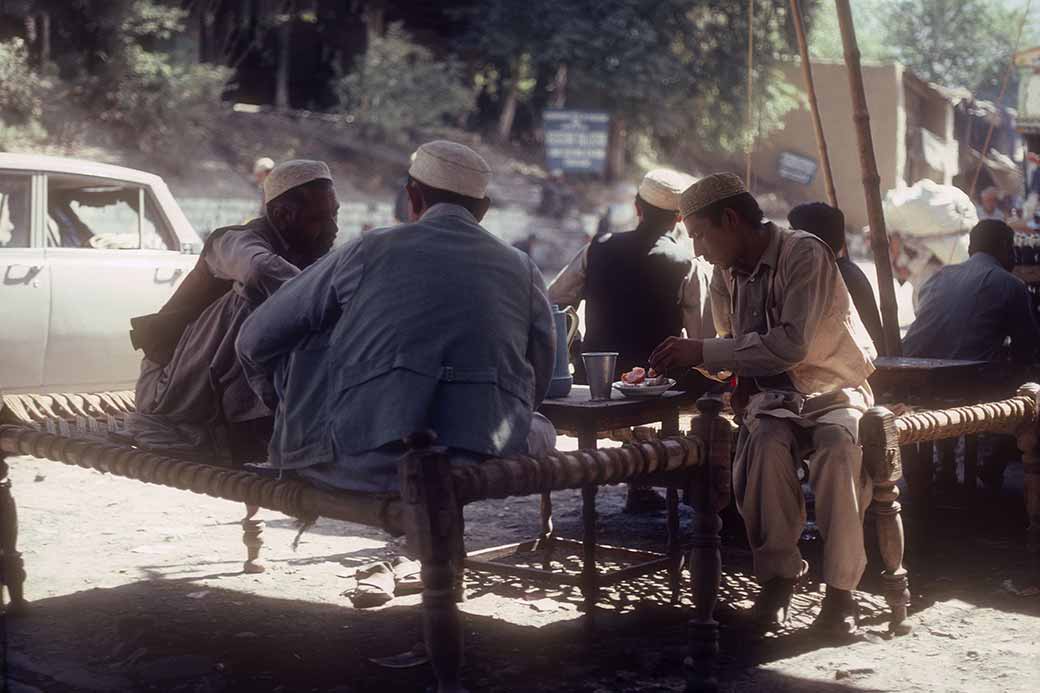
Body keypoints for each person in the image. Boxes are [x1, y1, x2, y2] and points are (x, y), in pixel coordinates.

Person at [236, 140, 556, 494]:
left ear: (412, 198)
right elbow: (537, 378)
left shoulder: (366, 250)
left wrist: (284, 407)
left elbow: (253, 340)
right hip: (479, 461)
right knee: (542, 429)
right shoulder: (523, 268)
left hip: (358, 464)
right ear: (483, 209)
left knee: (315, 330)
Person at [648, 173, 877, 634]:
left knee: (837, 448)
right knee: (765, 445)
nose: (697, 250)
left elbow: (791, 344)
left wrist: (705, 351)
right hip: (775, 399)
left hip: (835, 389)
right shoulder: (722, 276)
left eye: (699, 235)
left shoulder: (804, 252)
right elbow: (734, 351)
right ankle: (777, 582)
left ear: (729, 220)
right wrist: (697, 362)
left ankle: (841, 594)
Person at [127, 161, 339, 464]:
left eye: (335, 213)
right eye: (318, 218)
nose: (333, 227)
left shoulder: (307, 252)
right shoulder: (231, 240)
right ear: (281, 215)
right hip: (165, 390)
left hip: (210, 393)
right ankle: (257, 433)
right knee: (254, 296)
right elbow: (258, 269)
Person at [548, 168, 714, 513]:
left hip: (593, 376)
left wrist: (575, 340)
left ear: (637, 208)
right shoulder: (687, 262)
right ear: (680, 218)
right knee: (713, 377)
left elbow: (555, 298)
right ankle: (673, 479)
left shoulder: (599, 247)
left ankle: (635, 483)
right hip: (655, 382)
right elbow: (700, 337)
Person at [904, 220, 1040, 363]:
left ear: (970, 249)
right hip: (960, 378)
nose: (1015, 256)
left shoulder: (939, 277)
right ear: (1005, 246)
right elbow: (1028, 347)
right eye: (1013, 248)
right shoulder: (1010, 284)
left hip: (909, 367)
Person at [788, 202, 885, 353]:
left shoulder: (835, 278)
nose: (788, 242)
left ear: (811, 242)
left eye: (793, 234)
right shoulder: (841, 270)